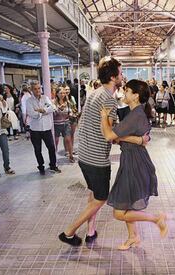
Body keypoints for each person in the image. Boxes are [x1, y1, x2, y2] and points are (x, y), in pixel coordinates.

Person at [59, 57, 149, 247]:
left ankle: (91, 231)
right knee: (100, 198)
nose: (122, 77)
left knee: (93, 194)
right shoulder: (108, 99)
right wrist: (140, 139)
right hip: (97, 158)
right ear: (113, 77)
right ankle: (69, 232)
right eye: (121, 73)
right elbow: (111, 135)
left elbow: (87, 124)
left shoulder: (95, 93)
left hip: (85, 155)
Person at [100, 79, 168, 250]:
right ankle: (133, 237)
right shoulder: (135, 113)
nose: (124, 93)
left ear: (135, 96)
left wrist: (103, 117)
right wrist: (135, 139)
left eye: (127, 91)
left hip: (134, 163)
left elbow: (109, 136)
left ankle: (155, 219)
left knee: (118, 212)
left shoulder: (136, 114)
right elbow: (118, 137)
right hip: (134, 160)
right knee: (127, 204)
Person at [26, 81, 61, 175]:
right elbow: (32, 114)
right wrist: (44, 112)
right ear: (32, 90)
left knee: (51, 148)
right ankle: (41, 166)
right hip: (35, 130)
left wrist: (42, 110)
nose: (38, 90)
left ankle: (53, 165)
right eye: (35, 89)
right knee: (37, 150)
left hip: (46, 128)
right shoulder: (29, 101)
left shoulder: (45, 98)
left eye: (39, 88)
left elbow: (52, 108)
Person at [53, 87, 75, 163]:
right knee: (55, 141)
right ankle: (53, 157)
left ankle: (71, 155)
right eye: (61, 93)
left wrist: (72, 114)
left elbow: (70, 112)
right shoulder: (53, 102)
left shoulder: (68, 102)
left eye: (64, 93)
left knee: (68, 140)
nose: (63, 95)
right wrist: (59, 109)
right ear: (57, 94)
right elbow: (53, 113)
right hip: (56, 124)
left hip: (66, 123)